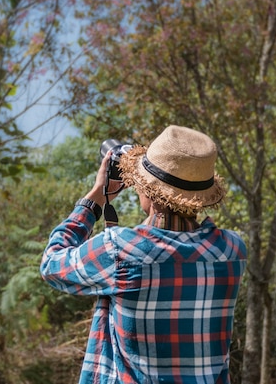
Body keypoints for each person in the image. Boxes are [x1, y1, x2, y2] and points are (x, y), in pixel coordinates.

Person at [40, 125, 247, 383]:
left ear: (149, 191)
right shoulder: (232, 251)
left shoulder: (121, 249)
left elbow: (51, 264)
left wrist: (95, 200)